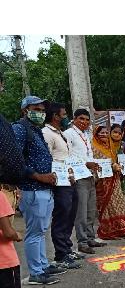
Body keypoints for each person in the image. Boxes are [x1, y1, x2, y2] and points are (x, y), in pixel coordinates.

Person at [12, 96, 64, 284]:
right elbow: (16, 160)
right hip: (32, 188)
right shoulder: (20, 129)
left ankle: (42, 265)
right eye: (37, 109)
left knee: (41, 230)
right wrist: (38, 176)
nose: (41, 113)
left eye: (43, 110)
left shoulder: (36, 130)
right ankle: (35, 272)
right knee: (34, 232)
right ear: (25, 110)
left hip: (45, 188)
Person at [43, 102, 82, 269]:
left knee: (70, 213)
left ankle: (67, 247)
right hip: (59, 181)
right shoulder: (47, 133)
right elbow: (48, 158)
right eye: (64, 115)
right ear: (55, 116)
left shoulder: (60, 134)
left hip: (69, 178)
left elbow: (66, 157)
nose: (66, 118)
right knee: (61, 215)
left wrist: (71, 173)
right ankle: (61, 254)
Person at [64, 109, 106, 254]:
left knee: (90, 210)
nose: (84, 122)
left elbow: (89, 155)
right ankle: (82, 241)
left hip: (89, 175)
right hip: (79, 176)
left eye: (87, 120)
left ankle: (90, 237)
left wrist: (94, 165)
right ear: (74, 119)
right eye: (81, 119)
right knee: (81, 212)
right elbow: (67, 155)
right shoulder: (69, 134)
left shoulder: (86, 135)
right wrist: (85, 164)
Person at [91, 125, 125, 239]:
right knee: (107, 206)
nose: (104, 135)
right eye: (101, 133)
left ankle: (121, 228)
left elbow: (115, 160)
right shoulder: (93, 147)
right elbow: (95, 165)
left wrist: (117, 166)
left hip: (115, 179)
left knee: (118, 203)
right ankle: (108, 230)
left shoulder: (110, 146)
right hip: (102, 182)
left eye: (105, 132)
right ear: (96, 134)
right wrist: (111, 166)